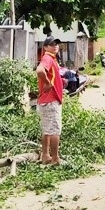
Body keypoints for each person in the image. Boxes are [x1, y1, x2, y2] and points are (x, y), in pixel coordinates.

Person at [36, 36, 64, 165]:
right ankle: (55, 159)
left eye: (56, 44)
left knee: (47, 130)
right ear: (45, 47)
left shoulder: (52, 59)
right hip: (51, 100)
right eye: (52, 44)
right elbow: (40, 70)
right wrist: (47, 83)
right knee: (54, 130)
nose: (55, 46)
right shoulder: (47, 58)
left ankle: (45, 156)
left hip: (45, 101)